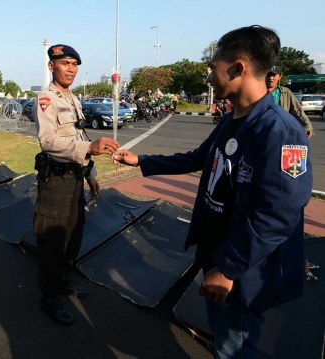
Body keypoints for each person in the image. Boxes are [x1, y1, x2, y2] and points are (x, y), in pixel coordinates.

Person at [112, 25, 312, 358]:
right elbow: (199, 157)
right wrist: (142, 160)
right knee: (223, 340)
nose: (208, 76)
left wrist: (229, 267)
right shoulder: (232, 118)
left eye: (212, 67)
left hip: (242, 270)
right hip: (218, 255)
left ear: (238, 69)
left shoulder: (280, 130)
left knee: (236, 349)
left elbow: (278, 214)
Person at [33, 44, 120, 325]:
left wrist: (90, 174)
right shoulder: (47, 99)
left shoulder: (73, 99)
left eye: (74, 64)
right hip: (55, 181)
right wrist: (88, 150)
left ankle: (61, 280)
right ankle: (48, 296)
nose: (70, 69)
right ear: (51, 66)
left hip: (74, 179)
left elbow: (79, 138)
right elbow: (47, 141)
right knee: (52, 239)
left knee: (73, 233)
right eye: (65, 63)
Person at [266, 65, 314, 138]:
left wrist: (307, 126)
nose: (271, 78)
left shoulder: (286, 92)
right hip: (261, 128)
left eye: (274, 75)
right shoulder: (256, 92)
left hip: (281, 129)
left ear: (279, 77)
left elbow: (297, 110)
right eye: (268, 75)